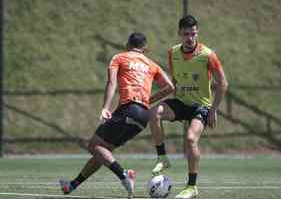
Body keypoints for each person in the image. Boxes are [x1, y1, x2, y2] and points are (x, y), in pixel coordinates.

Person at [59, 32, 174, 198]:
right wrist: (148, 101)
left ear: (127, 45)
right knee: (103, 152)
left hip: (128, 109)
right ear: (145, 48)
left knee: (94, 146)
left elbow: (111, 83)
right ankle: (72, 185)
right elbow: (170, 87)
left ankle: (124, 174)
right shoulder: (152, 64)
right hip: (143, 117)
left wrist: (105, 107)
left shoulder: (119, 58)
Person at [149, 15, 228, 199]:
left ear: (197, 33)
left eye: (193, 33)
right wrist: (153, 98)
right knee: (154, 112)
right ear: (179, 34)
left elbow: (223, 83)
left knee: (191, 139)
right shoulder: (172, 53)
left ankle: (192, 187)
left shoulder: (208, 55)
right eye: (186, 34)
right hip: (182, 103)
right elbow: (174, 81)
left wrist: (214, 110)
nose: (190, 37)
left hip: (201, 105)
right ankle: (162, 158)